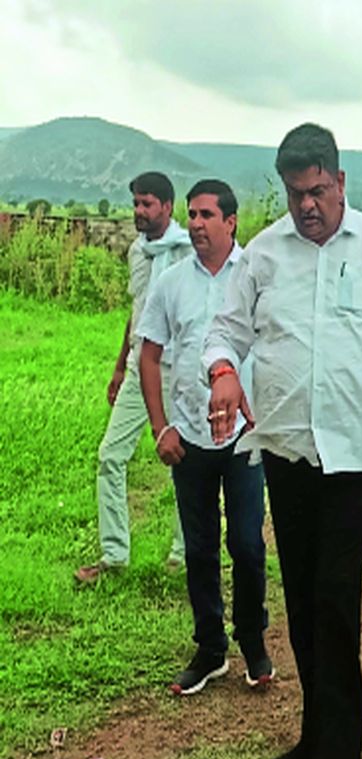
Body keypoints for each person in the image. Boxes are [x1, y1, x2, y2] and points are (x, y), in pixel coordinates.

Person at [204, 123, 362, 759]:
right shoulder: (263, 254)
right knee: (302, 603)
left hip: (355, 457)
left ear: (340, 182)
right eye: (295, 193)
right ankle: (313, 735)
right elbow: (225, 331)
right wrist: (224, 372)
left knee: (335, 600)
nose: (306, 205)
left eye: (318, 191)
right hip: (287, 452)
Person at [137, 179, 271, 696]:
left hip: (245, 436)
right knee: (199, 548)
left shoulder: (256, 276)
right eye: (191, 214)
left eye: (206, 215)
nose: (195, 224)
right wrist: (161, 428)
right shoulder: (171, 282)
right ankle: (211, 649)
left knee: (247, 543)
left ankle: (253, 642)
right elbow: (150, 355)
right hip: (189, 434)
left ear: (231, 222)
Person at [75, 171, 190, 583]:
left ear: (167, 207)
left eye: (147, 203)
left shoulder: (187, 251)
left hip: (178, 368)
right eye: (136, 203)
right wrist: (121, 364)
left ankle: (184, 554)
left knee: (183, 462)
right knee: (110, 455)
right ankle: (114, 555)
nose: (139, 211)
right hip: (141, 366)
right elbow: (138, 310)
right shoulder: (137, 252)